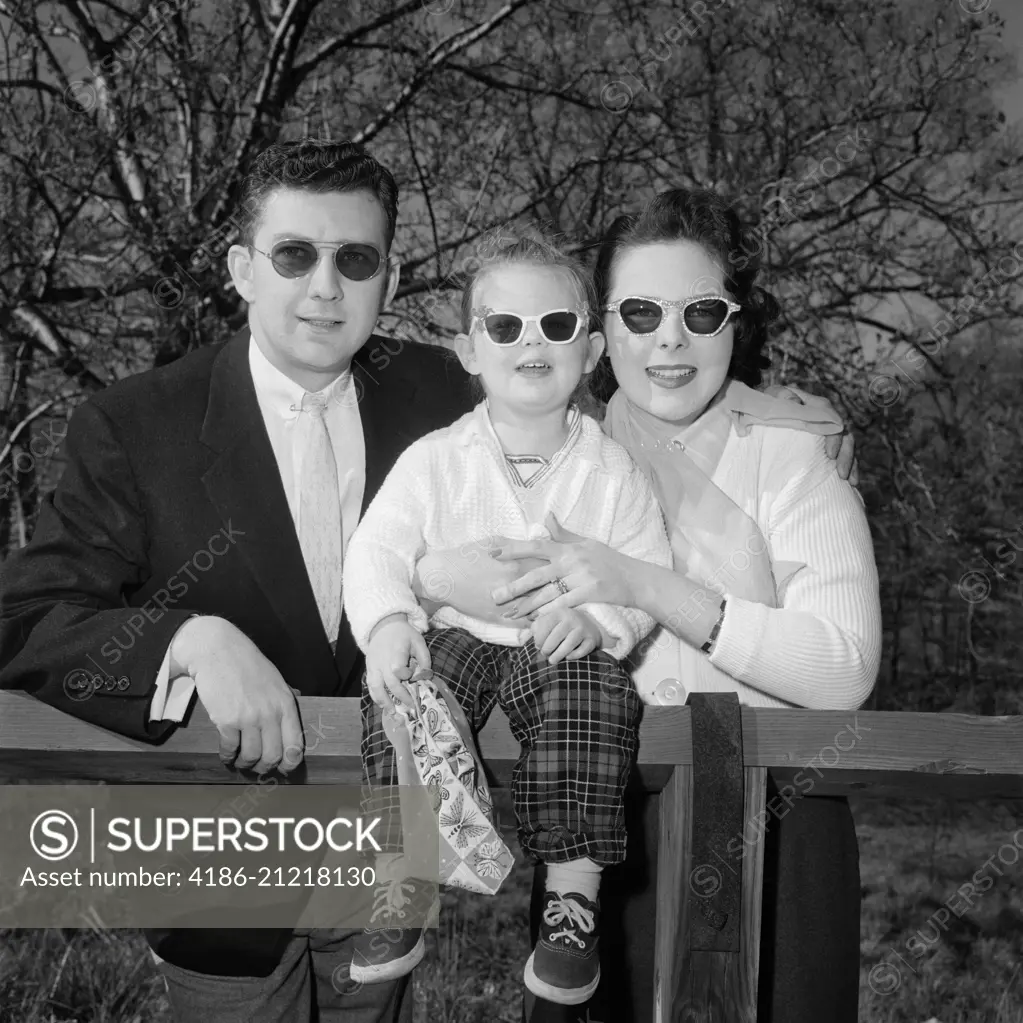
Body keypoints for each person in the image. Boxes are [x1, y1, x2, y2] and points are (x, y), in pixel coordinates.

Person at [0, 138, 478, 1023]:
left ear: (391, 274)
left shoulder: (446, 398)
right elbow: (27, 615)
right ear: (241, 270)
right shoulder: (135, 423)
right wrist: (184, 638)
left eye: (356, 258)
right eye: (294, 254)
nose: (325, 286)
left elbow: (579, 429)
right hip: (222, 877)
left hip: (383, 859)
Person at [414, 188, 881, 1023]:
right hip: (604, 824)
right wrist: (426, 573)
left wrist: (644, 584)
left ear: (735, 322)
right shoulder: (553, 446)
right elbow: (424, 542)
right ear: (601, 332)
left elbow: (842, 670)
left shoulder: (790, 455)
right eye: (639, 310)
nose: (669, 338)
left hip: (780, 823)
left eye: (700, 311)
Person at [343, 237, 673, 1007]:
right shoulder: (434, 460)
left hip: (555, 646)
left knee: (592, 697)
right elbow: (377, 550)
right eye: (504, 327)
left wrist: (599, 622)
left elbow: (641, 570)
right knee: (404, 694)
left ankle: (570, 903)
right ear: (467, 349)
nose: (531, 342)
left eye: (556, 326)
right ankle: (403, 876)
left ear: (589, 349)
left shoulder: (613, 471)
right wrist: (390, 622)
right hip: (455, 632)